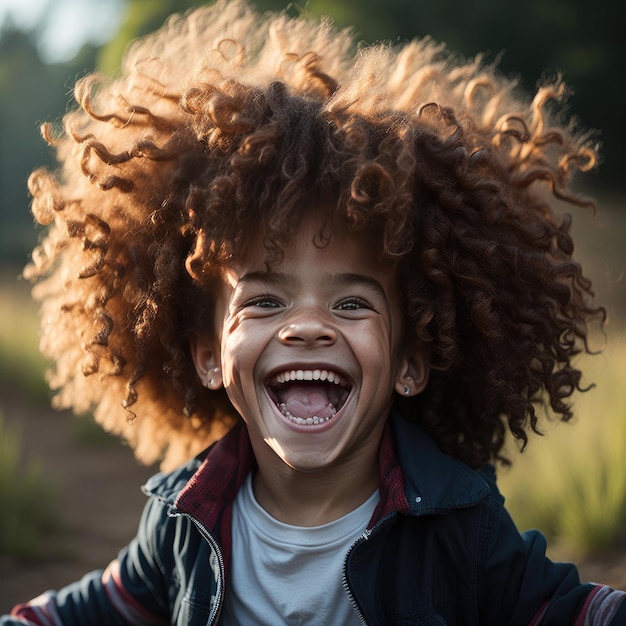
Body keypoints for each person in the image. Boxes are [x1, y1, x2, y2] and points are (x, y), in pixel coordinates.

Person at [3, 0, 625, 623]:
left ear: (411, 359)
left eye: (351, 302)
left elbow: (575, 612)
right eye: (265, 301)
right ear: (209, 356)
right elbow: (84, 612)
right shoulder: (183, 519)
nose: (306, 326)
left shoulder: (461, 529)